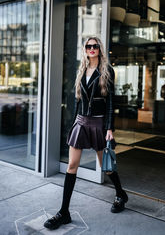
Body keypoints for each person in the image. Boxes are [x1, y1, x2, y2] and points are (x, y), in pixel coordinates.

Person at [44, 36, 128, 230]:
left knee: (106, 166)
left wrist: (109, 128)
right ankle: (64, 212)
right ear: (85, 49)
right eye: (88, 46)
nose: (91, 49)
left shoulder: (107, 71)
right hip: (81, 122)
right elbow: (79, 100)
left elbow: (110, 103)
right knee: (72, 165)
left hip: (98, 123)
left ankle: (120, 194)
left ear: (99, 48)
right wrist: (74, 122)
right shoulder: (81, 70)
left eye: (95, 46)